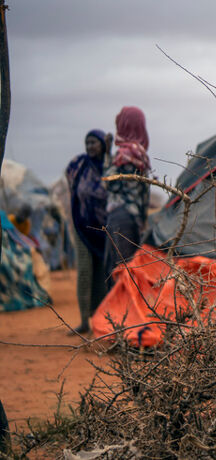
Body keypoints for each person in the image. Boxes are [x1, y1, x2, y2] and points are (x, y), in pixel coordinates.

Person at [65, 129, 110, 334]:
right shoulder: (80, 165)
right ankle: (84, 320)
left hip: (103, 230)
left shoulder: (109, 166)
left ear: (102, 144)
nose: (90, 146)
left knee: (102, 274)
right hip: (82, 226)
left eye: (94, 142)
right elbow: (72, 184)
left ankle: (100, 320)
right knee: (84, 272)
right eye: (87, 142)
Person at [102, 107, 150, 287]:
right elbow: (144, 195)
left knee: (118, 271)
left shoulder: (125, 154)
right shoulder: (140, 153)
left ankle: (119, 314)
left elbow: (109, 183)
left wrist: (107, 156)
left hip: (120, 218)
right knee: (128, 267)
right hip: (133, 218)